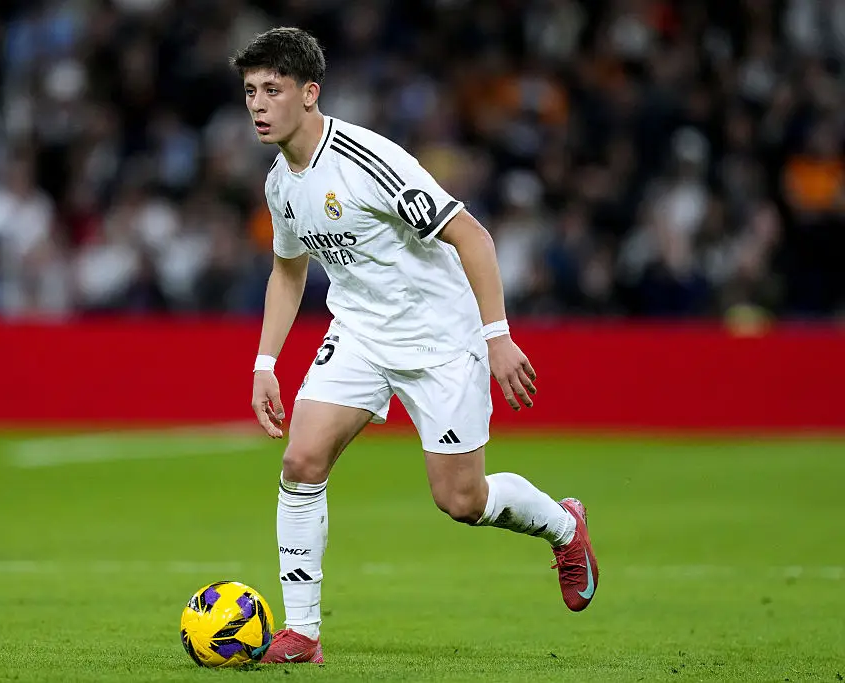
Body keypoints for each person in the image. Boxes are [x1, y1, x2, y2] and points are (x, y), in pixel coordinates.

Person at [232, 27, 599, 665]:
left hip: (440, 340)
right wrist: (265, 363)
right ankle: (302, 634)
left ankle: (565, 525)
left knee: (462, 500)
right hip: (359, 335)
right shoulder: (280, 183)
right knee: (301, 462)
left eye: (273, 89)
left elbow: (475, 237)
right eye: (250, 92)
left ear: (310, 93)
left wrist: (498, 338)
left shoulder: (367, 161)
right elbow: (288, 272)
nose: (258, 104)